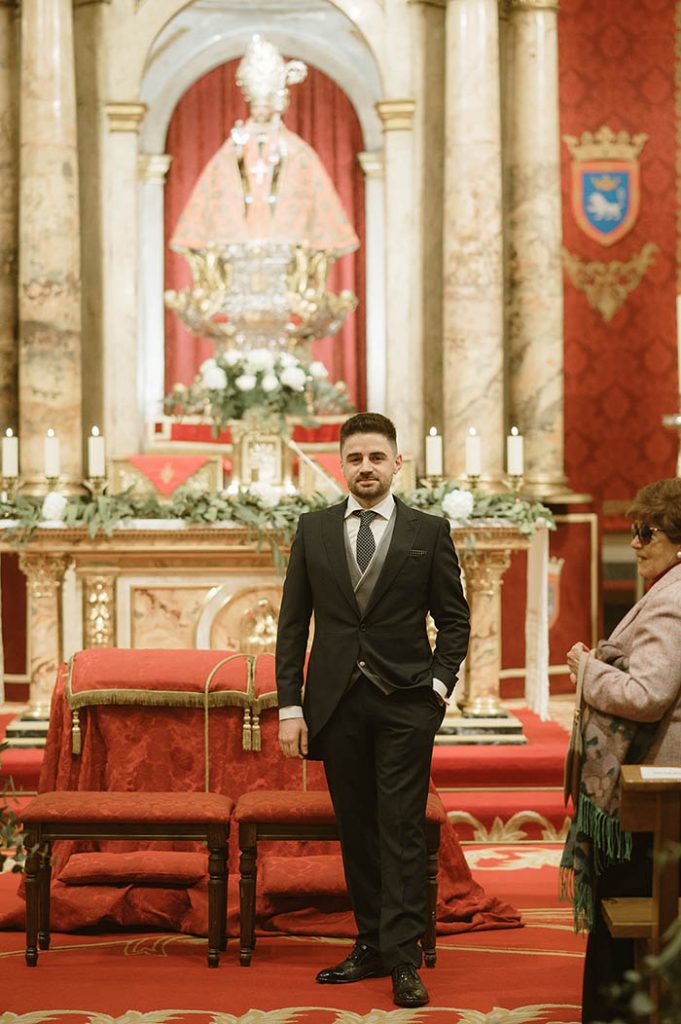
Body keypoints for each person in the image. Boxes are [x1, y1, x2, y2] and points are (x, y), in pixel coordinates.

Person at [276, 412, 470, 1008]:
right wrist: (290, 707)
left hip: (406, 705)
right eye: (355, 458)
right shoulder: (312, 529)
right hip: (334, 706)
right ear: (341, 463)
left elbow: (455, 620)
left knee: (403, 830)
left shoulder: (428, 531)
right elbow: (293, 625)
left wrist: (437, 688)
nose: (366, 467)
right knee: (357, 831)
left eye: (376, 458)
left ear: (396, 463)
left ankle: (405, 958)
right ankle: (370, 944)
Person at [564, 477, 681, 1024]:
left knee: (630, 896)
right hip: (656, 781)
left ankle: (617, 1011)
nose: (633, 542)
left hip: (653, 785)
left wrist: (589, 673)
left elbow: (647, 695)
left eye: (645, 532)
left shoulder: (671, 602)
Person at [170, 35, 359, 258]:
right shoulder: (234, 147)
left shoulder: (296, 150)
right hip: (238, 248)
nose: (260, 111)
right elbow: (216, 186)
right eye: (256, 106)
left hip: (288, 248)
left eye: (264, 105)